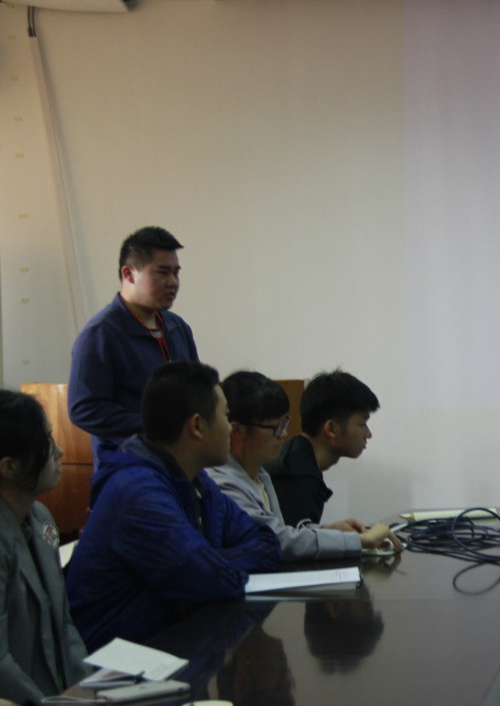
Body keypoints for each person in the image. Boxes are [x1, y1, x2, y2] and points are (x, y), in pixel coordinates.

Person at [66, 362, 282, 651]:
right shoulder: (137, 492)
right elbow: (210, 581)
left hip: (174, 650)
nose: (231, 428)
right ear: (197, 426)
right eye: (225, 416)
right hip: (115, 666)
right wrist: (209, 568)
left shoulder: (198, 482)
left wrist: (211, 561)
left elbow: (268, 543)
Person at [0, 391, 89, 706]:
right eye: (46, 443)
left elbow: (63, 627)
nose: (60, 451)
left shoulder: (39, 516)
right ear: (9, 467)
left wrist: (87, 694)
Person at [206, 371, 400, 560]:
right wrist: (359, 541)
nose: (284, 434)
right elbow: (275, 540)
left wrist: (327, 531)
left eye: (285, 424)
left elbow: (282, 531)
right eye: (276, 428)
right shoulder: (222, 484)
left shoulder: (260, 475)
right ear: (237, 431)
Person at [68, 226, 199, 457]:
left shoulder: (177, 327)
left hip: (181, 459)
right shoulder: (100, 334)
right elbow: (84, 409)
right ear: (129, 274)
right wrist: (158, 428)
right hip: (130, 463)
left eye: (175, 273)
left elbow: (197, 388)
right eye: (162, 272)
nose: (172, 282)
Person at [265, 370, 379, 528]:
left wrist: (329, 531)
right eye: (362, 424)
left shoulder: (298, 459)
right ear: (331, 429)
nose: (368, 434)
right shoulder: (298, 478)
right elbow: (294, 542)